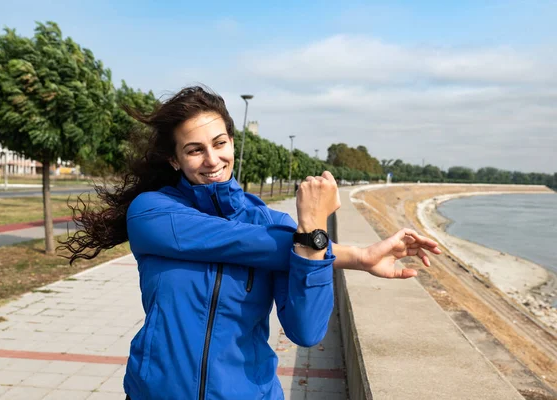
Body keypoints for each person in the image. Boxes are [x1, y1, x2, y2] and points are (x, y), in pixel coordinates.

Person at [62, 86, 441, 400]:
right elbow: (240, 242)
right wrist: (344, 250)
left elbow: (306, 332)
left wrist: (314, 240)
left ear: (232, 141)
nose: (212, 159)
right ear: (175, 160)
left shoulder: (274, 224)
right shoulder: (152, 213)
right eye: (194, 149)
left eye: (219, 143)